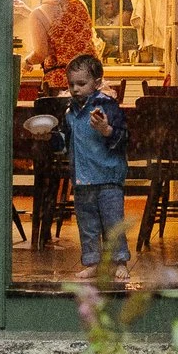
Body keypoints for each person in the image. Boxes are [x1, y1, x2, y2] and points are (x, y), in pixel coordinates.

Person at [62, 52, 130, 281]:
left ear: (97, 83)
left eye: (81, 83)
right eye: (71, 84)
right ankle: (92, 262)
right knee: (88, 224)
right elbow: (65, 142)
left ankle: (119, 261)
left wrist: (106, 130)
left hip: (108, 176)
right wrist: (50, 137)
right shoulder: (70, 112)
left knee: (113, 222)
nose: (75, 89)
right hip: (82, 178)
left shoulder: (108, 107)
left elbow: (125, 138)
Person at [34, 0, 96, 91]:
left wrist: (27, 62)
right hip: (88, 80)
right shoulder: (80, 4)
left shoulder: (39, 13)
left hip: (60, 84)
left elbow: (40, 54)